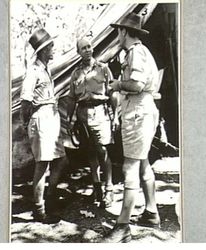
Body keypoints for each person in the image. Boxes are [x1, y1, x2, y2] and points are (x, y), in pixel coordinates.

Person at [102, 13, 161, 242]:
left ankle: (123, 225)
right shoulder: (138, 52)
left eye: (119, 31)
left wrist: (117, 84)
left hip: (138, 111)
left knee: (130, 167)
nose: (118, 35)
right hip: (141, 110)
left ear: (124, 32)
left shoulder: (136, 52)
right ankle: (152, 212)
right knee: (142, 162)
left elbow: (136, 85)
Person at [20, 28, 67, 222]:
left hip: (51, 119)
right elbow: (25, 100)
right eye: (50, 47)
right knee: (42, 165)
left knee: (62, 160)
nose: (53, 50)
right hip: (41, 119)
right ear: (42, 50)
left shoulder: (45, 69)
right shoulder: (34, 71)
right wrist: (26, 122)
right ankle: (39, 210)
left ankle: (50, 197)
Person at [67, 37, 117, 208]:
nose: (87, 50)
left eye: (89, 47)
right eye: (83, 48)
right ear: (78, 52)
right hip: (82, 114)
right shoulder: (76, 74)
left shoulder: (103, 69)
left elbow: (112, 94)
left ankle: (109, 189)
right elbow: (72, 99)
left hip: (100, 112)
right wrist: (69, 119)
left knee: (102, 150)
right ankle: (97, 188)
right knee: (90, 152)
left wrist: (115, 116)